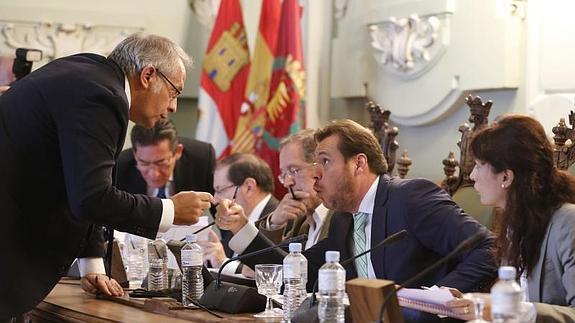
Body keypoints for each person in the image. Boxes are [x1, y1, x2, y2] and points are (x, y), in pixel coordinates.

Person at [0, 33, 213, 319]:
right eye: (174, 91)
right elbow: (92, 198)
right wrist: (169, 210)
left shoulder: (91, 75)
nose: (174, 107)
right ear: (148, 75)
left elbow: (76, 182)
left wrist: (92, 265)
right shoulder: (102, 96)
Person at [217, 119, 497, 296]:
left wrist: (438, 298)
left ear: (359, 163)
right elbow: (297, 273)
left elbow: (489, 249)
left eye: (325, 162)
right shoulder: (344, 219)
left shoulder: (411, 198)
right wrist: (242, 230)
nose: (315, 175)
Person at [455, 114, 575, 322]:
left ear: (506, 177)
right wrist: (476, 302)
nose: (472, 175)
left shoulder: (567, 223)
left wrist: (523, 312)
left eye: (479, 165)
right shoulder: (514, 224)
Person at [115, 119, 215, 270]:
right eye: (144, 163)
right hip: (138, 260)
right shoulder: (120, 166)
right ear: (135, 155)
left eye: (161, 163)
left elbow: (221, 209)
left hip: (189, 260)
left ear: (178, 152)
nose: (154, 174)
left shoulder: (201, 159)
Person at [225, 129, 334, 250]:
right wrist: (274, 224)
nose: (287, 183)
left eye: (294, 170)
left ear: (319, 166)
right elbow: (269, 261)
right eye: (284, 174)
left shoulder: (342, 218)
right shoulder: (302, 221)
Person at [199, 153, 278, 277]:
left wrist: (223, 262)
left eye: (220, 190)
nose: (214, 200)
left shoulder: (278, 221)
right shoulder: (235, 218)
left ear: (249, 187)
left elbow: (266, 269)